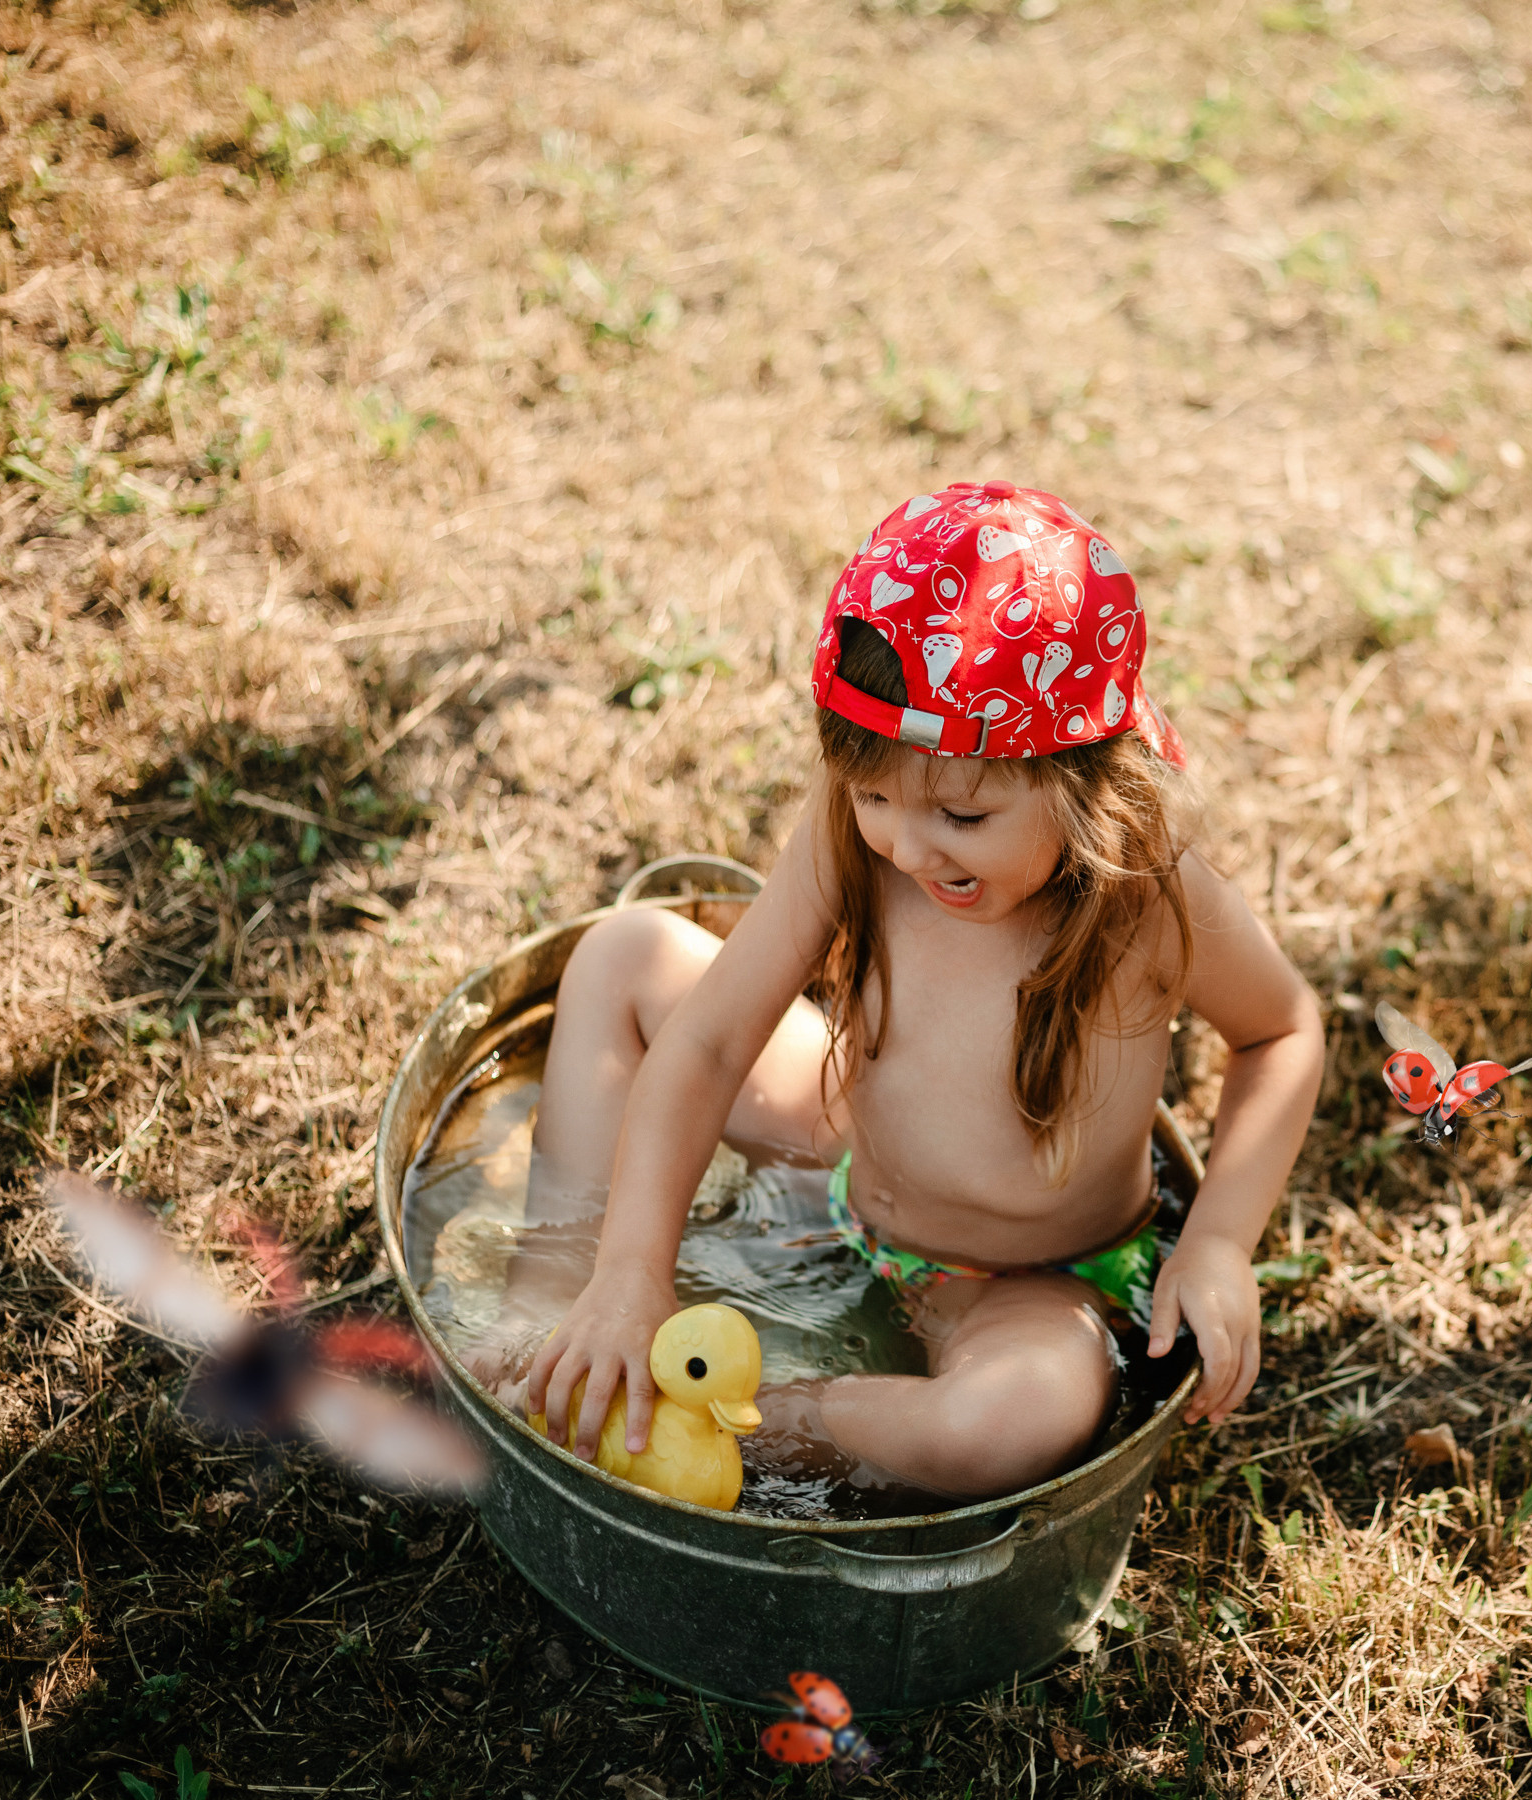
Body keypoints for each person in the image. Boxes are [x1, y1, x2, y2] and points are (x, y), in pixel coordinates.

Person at [469, 480, 1323, 1500]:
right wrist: (631, 1273)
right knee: (626, 954)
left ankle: (764, 1421)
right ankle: (554, 1313)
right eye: (874, 795)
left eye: (962, 818)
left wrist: (1219, 1241)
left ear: (1084, 783)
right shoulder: (860, 834)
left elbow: (1282, 1032)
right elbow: (708, 1043)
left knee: (1013, 1422)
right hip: (851, 1160)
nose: (910, 850)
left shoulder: (1146, 892)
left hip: (1026, 1284)